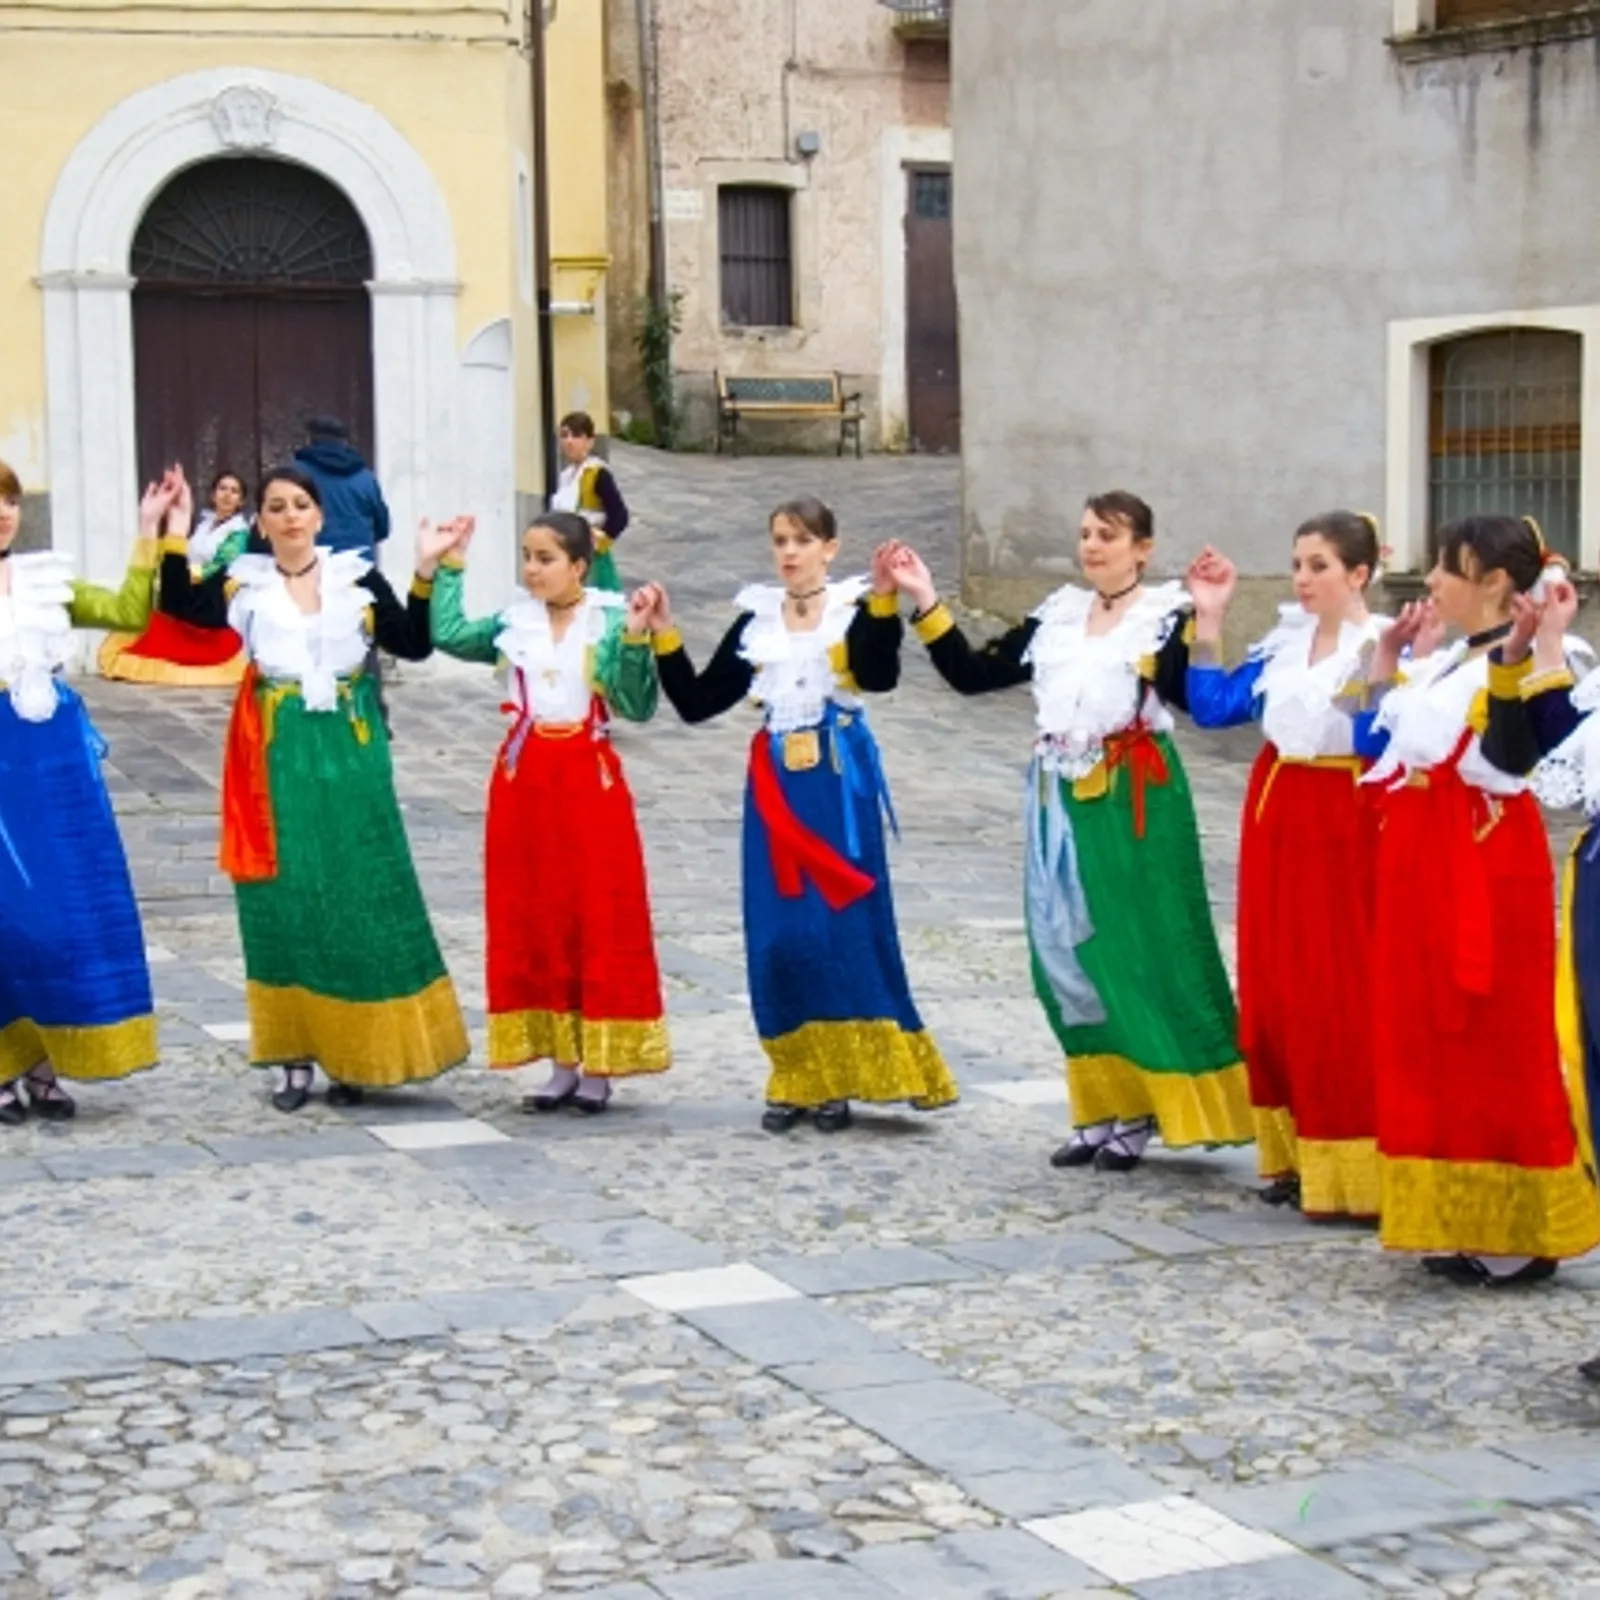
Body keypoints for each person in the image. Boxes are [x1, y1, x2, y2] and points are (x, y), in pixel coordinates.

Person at [886, 492, 1252, 1172]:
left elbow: (1194, 704)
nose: (1091, 546)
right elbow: (972, 675)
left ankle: (1151, 1105)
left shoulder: (1160, 620)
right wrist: (925, 597)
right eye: (1084, 533)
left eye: (1107, 536)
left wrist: (1209, 618)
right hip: (1058, 793)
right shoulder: (1056, 616)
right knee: (1062, 952)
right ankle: (1100, 1105)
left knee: (1135, 948)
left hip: (1131, 795)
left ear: (1142, 548)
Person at [155, 464, 469, 1112]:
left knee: (358, 892)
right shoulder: (244, 581)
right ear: (262, 523)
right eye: (276, 507)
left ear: (320, 517)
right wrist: (174, 529)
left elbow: (411, 644)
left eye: (301, 505)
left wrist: (427, 569)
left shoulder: (356, 578)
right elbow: (176, 605)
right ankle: (292, 1057)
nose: (291, 515)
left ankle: (358, 1051)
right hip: (277, 750)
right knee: (286, 897)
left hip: (352, 751)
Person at [638, 497, 956, 1133]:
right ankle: (796, 1073)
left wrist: (887, 602)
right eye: (780, 540)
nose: (789, 552)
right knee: (779, 933)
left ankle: (842, 1077)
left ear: (829, 549)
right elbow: (699, 702)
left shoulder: (856, 608)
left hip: (838, 782)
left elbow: (879, 674)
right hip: (777, 784)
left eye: (802, 540)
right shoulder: (757, 618)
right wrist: (664, 633)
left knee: (839, 927)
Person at [1357, 514, 1600, 1285]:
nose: (1430, 582)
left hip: (1486, 856)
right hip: (1424, 851)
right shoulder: (1447, 660)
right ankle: (1458, 1212)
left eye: (1446, 568)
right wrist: (1393, 661)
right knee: (1428, 1033)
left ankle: (1520, 1227)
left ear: (1496, 583)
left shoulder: (1540, 662)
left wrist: (1527, 654)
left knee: (1495, 1030)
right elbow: (1373, 744)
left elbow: (1509, 755)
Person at [430, 510, 668, 1112]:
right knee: (538, 913)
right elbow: (451, 632)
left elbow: (638, 705)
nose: (532, 570)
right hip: (525, 779)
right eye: (528, 558)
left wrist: (639, 638)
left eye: (545, 559)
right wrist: (448, 564)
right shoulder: (515, 622)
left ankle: (600, 1061)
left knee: (595, 912)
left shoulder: (609, 620)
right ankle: (561, 1061)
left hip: (588, 780)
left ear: (579, 566)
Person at [1183, 514, 1385, 1220]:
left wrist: (1388, 673)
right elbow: (1211, 709)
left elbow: (1378, 739)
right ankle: (1296, 1149)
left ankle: (1356, 1156)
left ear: (1358, 574)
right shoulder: (1284, 645)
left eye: (1319, 565)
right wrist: (1210, 618)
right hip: (1276, 814)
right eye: (1298, 563)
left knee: (1339, 984)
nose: (1302, 578)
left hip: (1343, 820)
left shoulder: (1377, 648)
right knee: (1278, 984)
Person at [0, 458, 163, 1122]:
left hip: (55, 762)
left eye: (8, 500)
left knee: (60, 915)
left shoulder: (46, 581)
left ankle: (43, 1064)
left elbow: (127, 610)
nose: (4, 512)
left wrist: (151, 533)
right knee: (7, 914)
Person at [99, 468, 250, 686]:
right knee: (169, 581)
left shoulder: (239, 532)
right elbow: (189, 554)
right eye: (222, 488)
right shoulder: (204, 526)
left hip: (214, 590)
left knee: (182, 583)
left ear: (241, 501)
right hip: (193, 583)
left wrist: (190, 575)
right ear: (213, 494)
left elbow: (220, 564)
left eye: (234, 491)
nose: (227, 494)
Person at [551, 412, 629, 591]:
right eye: (565, 435)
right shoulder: (566, 476)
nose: (569, 441)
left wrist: (601, 539)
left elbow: (620, 514)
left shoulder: (597, 473)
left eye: (577, 436)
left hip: (590, 556)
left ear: (590, 440)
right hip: (565, 552)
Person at [294, 418, 390, 561]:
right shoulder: (365, 477)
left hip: (313, 568)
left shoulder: (294, 473)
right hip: (360, 567)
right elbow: (383, 527)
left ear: (310, 439)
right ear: (344, 442)